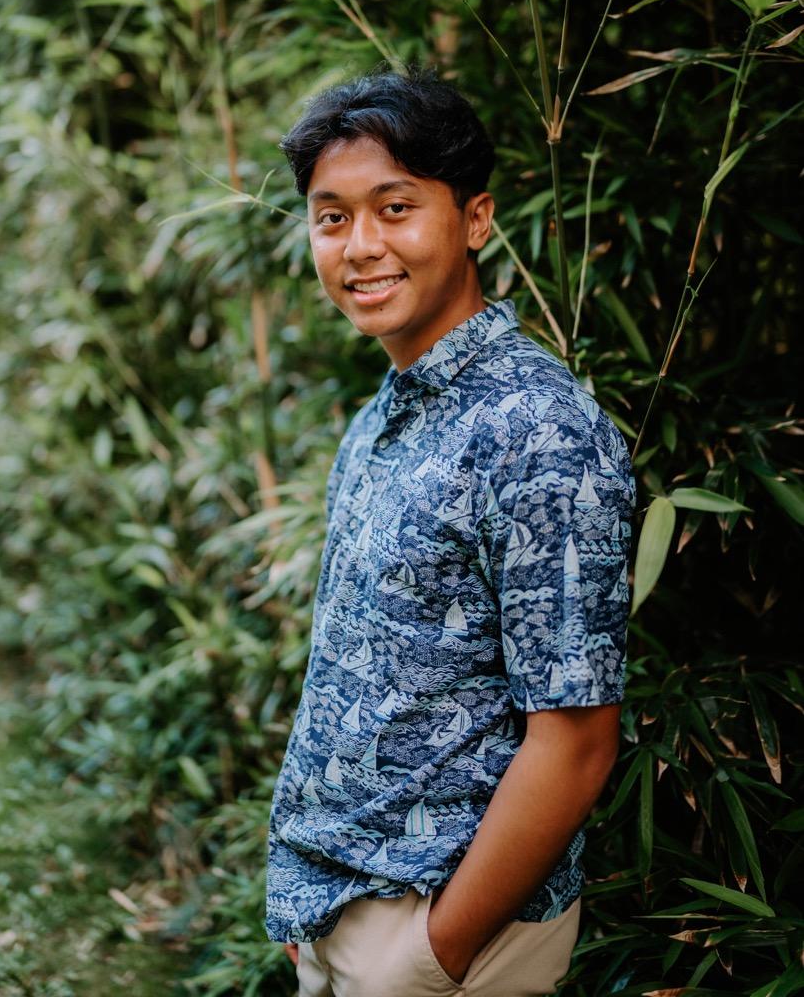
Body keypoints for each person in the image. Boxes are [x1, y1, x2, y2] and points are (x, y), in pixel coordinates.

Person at [264, 67, 635, 997]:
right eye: (332, 216)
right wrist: (314, 917)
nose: (360, 246)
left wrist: (432, 955)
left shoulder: (537, 428)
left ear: (474, 220)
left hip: (445, 936)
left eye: (395, 207)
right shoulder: (386, 412)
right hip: (338, 909)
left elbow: (578, 737)